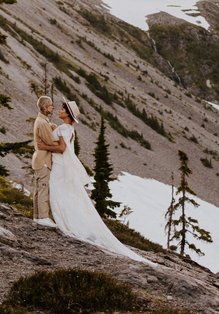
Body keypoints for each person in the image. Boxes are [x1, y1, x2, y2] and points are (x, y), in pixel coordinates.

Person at [46, 99, 152, 264]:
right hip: (63, 165)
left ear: (67, 113)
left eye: (62, 109)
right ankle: (71, 222)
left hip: (60, 166)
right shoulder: (70, 129)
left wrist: (43, 146)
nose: (59, 111)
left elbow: (62, 149)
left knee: (60, 193)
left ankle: (67, 223)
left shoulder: (64, 128)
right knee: (67, 195)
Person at [31, 95, 58, 227]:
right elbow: (51, 141)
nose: (52, 107)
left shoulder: (42, 121)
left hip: (38, 159)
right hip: (44, 161)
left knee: (38, 189)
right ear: (45, 107)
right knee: (43, 188)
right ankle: (43, 217)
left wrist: (51, 126)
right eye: (51, 105)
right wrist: (62, 138)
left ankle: (37, 216)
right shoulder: (42, 123)